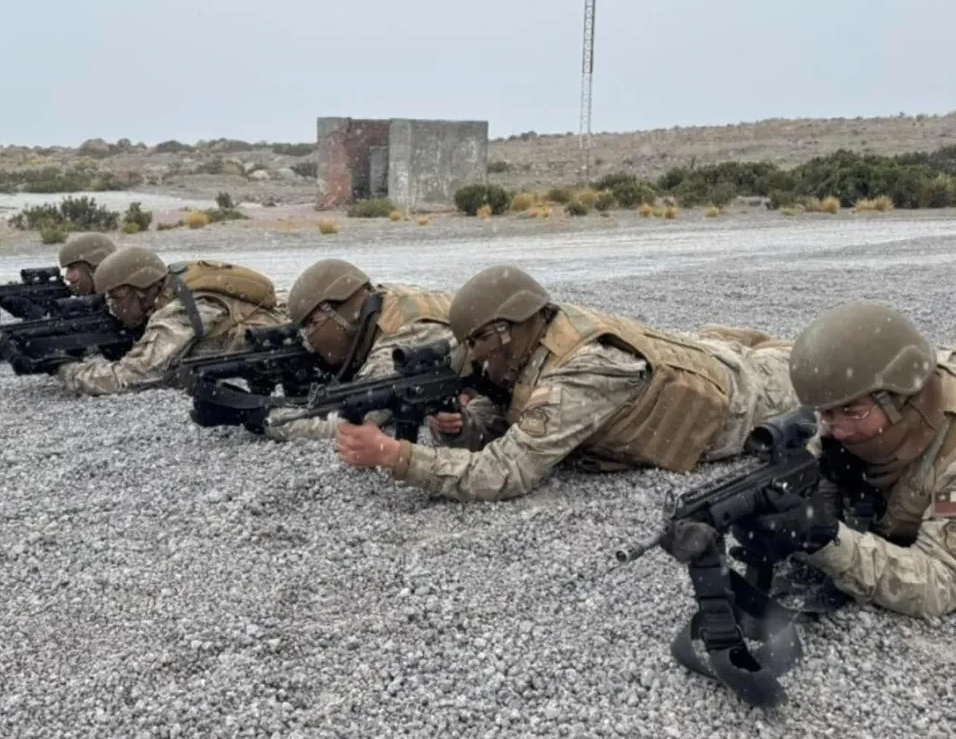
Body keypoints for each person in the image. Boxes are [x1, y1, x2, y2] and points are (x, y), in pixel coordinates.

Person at [335, 264, 799, 501]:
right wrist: (468, 425)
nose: (475, 360)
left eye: (480, 347)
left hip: (750, 395)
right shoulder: (533, 339)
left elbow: (506, 472)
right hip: (699, 353)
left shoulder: (582, 373)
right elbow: (513, 411)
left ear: (506, 332)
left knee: (811, 370)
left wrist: (396, 456)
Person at [735, 302, 956, 618]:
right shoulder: (844, 409)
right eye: (826, 413)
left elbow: (941, 584)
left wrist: (827, 540)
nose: (834, 428)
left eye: (853, 413)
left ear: (900, 398)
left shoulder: (950, 456)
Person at [264, 258, 491, 440]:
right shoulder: (381, 302)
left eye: (313, 325)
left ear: (340, 313)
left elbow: (351, 419)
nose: (308, 340)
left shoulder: (400, 339)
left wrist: (266, 419)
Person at [53, 245, 286, 395]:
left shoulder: (179, 312)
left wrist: (66, 369)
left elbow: (134, 376)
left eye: (117, 297)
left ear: (142, 290)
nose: (113, 307)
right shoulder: (175, 292)